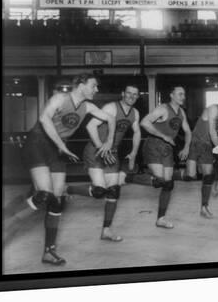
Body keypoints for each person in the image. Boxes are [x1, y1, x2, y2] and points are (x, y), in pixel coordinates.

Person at [20, 74, 115, 266]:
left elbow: (111, 119)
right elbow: (44, 119)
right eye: (93, 86)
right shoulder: (60, 99)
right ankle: (11, 214)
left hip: (58, 147)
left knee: (56, 202)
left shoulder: (88, 107)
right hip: (39, 142)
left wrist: (109, 141)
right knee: (44, 195)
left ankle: (49, 251)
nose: (96, 90)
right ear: (81, 85)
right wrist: (62, 147)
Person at [71, 84, 141, 242]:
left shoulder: (135, 113)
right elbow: (90, 125)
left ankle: (106, 231)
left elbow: (137, 132)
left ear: (138, 96)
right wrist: (101, 147)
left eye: (135, 94)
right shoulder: (111, 108)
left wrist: (134, 153)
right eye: (129, 93)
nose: (131, 96)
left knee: (114, 191)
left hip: (112, 153)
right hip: (95, 150)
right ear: (123, 93)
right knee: (99, 191)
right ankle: (68, 189)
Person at [140, 86, 192, 228]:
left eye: (184, 94)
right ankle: (127, 178)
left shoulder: (181, 112)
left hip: (168, 148)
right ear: (171, 95)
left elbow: (187, 131)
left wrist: (186, 147)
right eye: (180, 94)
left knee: (168, 185)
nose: (183, 96)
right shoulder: (163, 108)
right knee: (161, 181)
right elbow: (144, 122)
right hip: (154, 144)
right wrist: (164, 136)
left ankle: (160, 219)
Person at [186, 91, 218, 218]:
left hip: (207, 145)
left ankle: (204, 207)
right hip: (196, 142)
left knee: (208, 175)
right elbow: (212, 131)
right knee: (190, 176)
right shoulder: (213, 109)